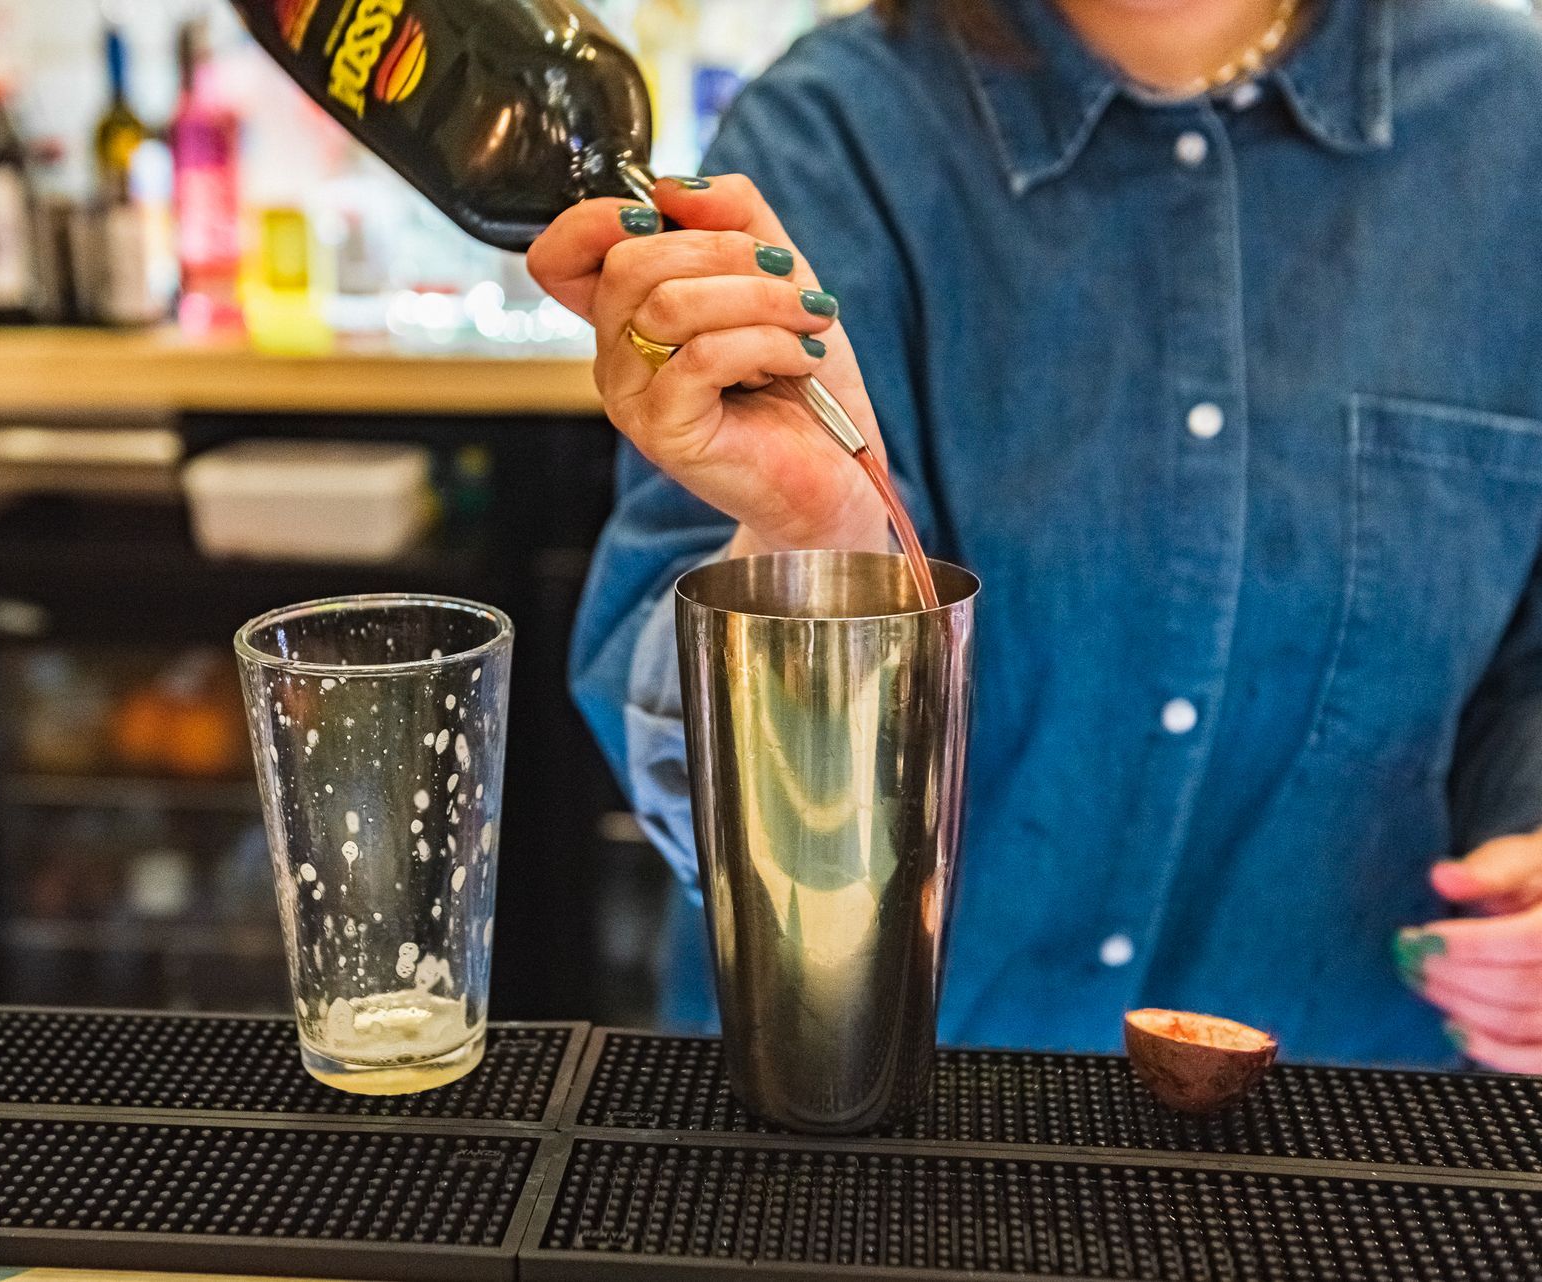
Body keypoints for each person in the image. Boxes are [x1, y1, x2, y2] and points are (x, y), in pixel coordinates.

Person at [529, 0, 1542, 1070]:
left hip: (1351, 1114)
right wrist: (818, 538)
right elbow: (693, 796)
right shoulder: (830, 131)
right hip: (872, 1101)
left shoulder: (1511, 124)